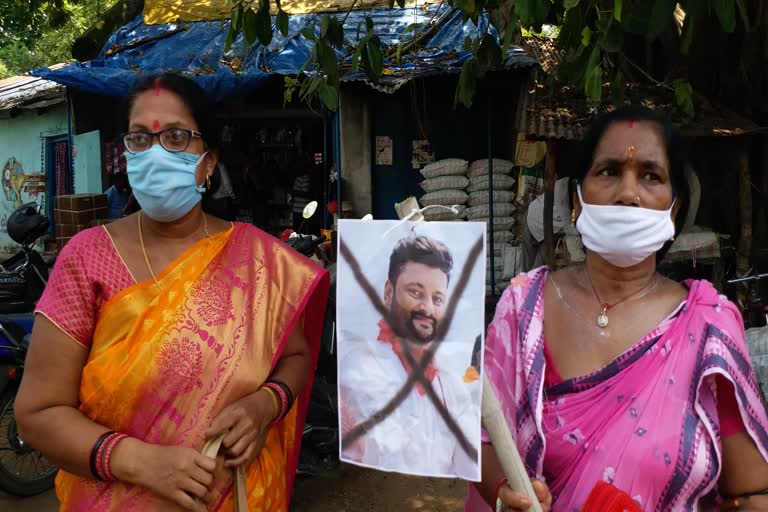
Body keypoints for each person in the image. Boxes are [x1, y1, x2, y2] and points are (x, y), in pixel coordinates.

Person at [14, 74, 329, 511]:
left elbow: (296, 357)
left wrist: (264, 405)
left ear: (209, 160)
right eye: (141, 138)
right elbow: (38, 414)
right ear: (126, 155)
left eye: (177, 137)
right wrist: (140, 462)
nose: (157, 152)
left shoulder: (256, 258)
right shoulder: (87, 259)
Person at [469, 106, 768, 511]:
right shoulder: (522, 309)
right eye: (609, 171)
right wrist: (506, 492)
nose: (628, 193)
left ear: (674, 208)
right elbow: (482, 436)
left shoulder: (708, 327)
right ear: (576, 199)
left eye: (651, 175)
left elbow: (751, 493)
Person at [339, 235, 480, 480]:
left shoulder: (451, 385)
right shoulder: (359, 370)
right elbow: (366, 465)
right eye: (416, 292)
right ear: (388, 292)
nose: (427, 308)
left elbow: (468, 464)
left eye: (437, 299)